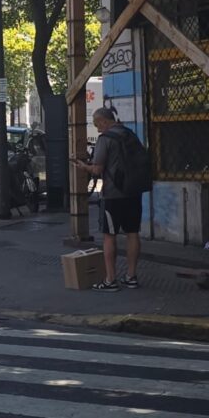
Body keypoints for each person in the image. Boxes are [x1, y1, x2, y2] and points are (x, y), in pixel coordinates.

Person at [72, 107, 143, 292]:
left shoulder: (106, 139)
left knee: (109, 236)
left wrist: (84, 167)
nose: (97, 129)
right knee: (133, 234)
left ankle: (110, 279)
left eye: (97, 125)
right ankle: (131, 276)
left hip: (113, 195)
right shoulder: (130, 135)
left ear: (104, 121)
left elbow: (97, 169)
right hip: (134, 192)